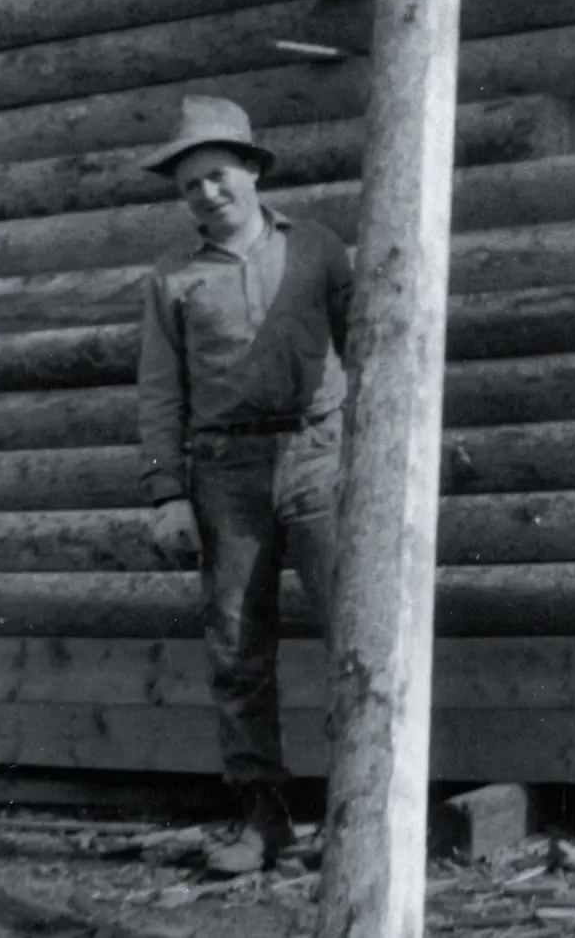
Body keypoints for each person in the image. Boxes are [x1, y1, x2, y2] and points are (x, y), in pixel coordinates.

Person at [137, 96, 353, 875]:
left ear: (253, 172)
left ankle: (360, 814)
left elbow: (373, 344)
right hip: (225, 474)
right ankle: (264, 820)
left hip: (321, 458)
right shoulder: (172, 281)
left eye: (218, 176)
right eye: (190, 185)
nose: (206, 195)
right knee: (236, 648)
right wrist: (167, 495)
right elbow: (161, 394)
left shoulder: (319, 251)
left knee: (354, 634)